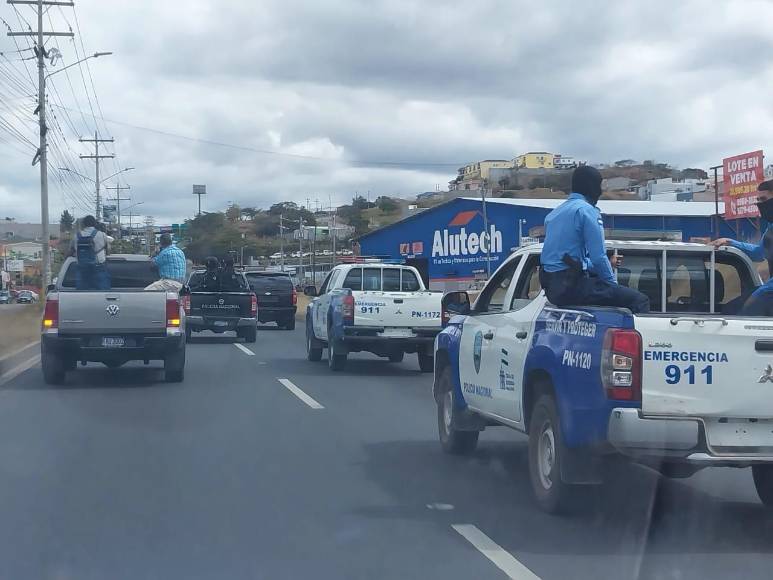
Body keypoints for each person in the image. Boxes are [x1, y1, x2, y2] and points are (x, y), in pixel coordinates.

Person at [539, 165, 650, 313]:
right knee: (639, 300)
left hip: (554, 290)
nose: (600, 191)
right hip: (572, 287)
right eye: (599, 186)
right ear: (591, 186)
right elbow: (598, 257)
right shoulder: (586, 211)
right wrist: (613, 285)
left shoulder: (553, 215)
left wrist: (604, 266)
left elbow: (569, 260)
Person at [712, 179, 773, 315]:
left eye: (764, 199)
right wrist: (731, 242)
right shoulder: (770, 228)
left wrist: (760, 294)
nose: (760, 204)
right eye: (758, 200)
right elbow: (759, 253)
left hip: (769, 291)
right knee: (731, 309)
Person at [71, 215, 113, 290]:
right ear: (95, 224)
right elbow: (108, 250)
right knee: (103, 293)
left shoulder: (76, 236)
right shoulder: (102, 235)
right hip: (99, 268)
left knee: (81, 293)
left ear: (84, 224)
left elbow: (72, 250)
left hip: (82, 269)